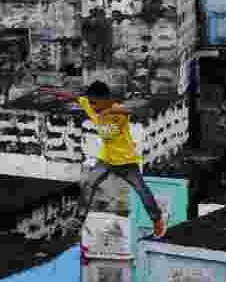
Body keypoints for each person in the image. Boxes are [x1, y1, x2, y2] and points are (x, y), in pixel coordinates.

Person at [52, 82, 166, 238]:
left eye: (95, 103)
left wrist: (109, 112)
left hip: (126, 162)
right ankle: (79, 218)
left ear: (106, 100)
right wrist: (56, 92)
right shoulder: (91, 104)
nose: (92, 107)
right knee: (89, 184)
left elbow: (107, 133)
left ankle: (157, 220)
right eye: (90, 102)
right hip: (106, 159)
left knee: (142, 190)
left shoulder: (119, 115)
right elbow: (77, 98)